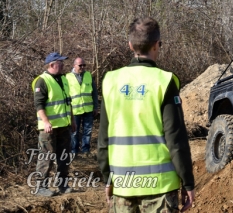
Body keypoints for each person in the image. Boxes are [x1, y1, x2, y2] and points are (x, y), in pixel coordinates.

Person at [98, 18, 195, 212]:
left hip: (122, 185)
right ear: (157, 45)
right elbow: (175, 140)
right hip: (160, 186)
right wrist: (188, 182)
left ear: (130, 45)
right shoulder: (165, 81)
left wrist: (107, 178)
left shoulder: (110, 81)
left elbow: (103, 140)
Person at [32, 52, 76, 197]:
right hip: (48, 128)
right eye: (60, 63)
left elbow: (67, 102)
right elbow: (39, 105)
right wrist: (45, 122)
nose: (63, 65)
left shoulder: (63, 79)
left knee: (64, 156)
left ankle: (62, 185)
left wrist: (73, 120)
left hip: (64, 125)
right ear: (51, 65)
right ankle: (40, 186)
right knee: (46, 156)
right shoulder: (42, 81)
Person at [65, 57, 98, 157]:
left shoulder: (88, 75)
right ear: (74, 65)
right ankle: (74, 151)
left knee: (87, 131)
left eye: (84, 65)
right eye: (80, 65)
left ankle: (85, 150)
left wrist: (95, 106)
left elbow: (94, 93)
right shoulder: (67, 77)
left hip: (88, 109)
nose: (83, 67)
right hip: (75, 110)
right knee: (74, 132)